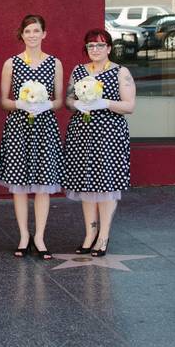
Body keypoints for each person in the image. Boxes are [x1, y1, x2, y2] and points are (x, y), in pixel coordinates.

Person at [0, 14, 64, 260]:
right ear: (21, 35)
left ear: (44, 34)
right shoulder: (11, 63)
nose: (32, 35)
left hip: (45, 127)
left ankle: (40, 237)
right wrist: (20, 104)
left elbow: (59, 100)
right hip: (18, 128)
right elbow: (3, 101)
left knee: (43, 186)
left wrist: (46, 105)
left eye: (36, 31)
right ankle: (24, 235)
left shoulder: (54, 63)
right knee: (20, 186)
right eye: (28, 31)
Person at [63, 28, 136, 257]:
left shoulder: (120, 72)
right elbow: (68, 99)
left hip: (109, 136)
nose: (95, 49)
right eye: (91, 46)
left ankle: (103, 235)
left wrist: (103, 103)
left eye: (100, 45)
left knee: (105, 186)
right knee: (86, 185)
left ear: (109, 48)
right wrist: (76, 105)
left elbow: (129, 105)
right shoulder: (78, 70)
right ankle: (89, 234)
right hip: (81, 136)